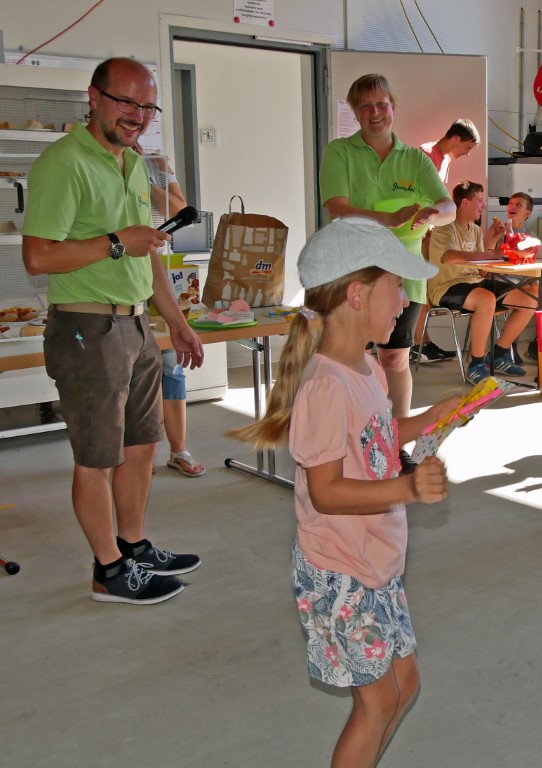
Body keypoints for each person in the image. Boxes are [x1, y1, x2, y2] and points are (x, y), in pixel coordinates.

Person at [230, 217, 460, 767]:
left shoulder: (367, 368)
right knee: (376, 703)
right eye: (396, 287)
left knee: (404, 684)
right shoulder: (325, 386)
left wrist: (434, 417)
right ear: (357, 295)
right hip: (341, 571)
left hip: (375, 560)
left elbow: (379, 435)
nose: (405, 301)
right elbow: (327, 492)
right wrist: (408, 486)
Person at [21, 57, 203, 605]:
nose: (137, 116)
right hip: (88, 327)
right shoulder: (63, 163)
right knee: (98, 458)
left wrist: (177, 323)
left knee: (141, 445)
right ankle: (109, 571)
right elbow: (38, 256)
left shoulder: (133, 163)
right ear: (94, 97)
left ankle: (133, 546)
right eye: (126, 102)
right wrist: (117, 242)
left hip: (137, 324)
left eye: (148, 107)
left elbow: (147, 253)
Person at [320, 73, 456, 474]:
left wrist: (433, 214)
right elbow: (338, 207)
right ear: (355, 112)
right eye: (365, 106)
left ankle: (395, 445)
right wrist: (389, 218)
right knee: (349, 360)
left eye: (381, 104)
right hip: (355, 272)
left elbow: (448, 207)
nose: (375, 112)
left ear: (393, 107)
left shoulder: (414, 159)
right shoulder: (340, 152)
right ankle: (347, 445)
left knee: (395, 359)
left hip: (404, 276)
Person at [135, 145, 204, 478]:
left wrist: (148, 178)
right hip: (126, 274)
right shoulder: (106, 163)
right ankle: (135, 453)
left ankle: (179, 450)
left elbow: (181, 210)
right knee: (135, 370)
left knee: (172, 365)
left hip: (163, 273)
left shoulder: (156, 163)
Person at [426, 181, 536, 383]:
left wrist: (491, 241)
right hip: (446, 286)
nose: (484, 205)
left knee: (530, 298)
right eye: (480, 200)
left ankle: (499, 354)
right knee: (486, 299)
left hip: (475, 283)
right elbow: (450, 257)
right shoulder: (445, 227)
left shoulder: (476, 230)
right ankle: (476, 365)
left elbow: (482, 272)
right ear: (465, 202)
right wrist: (492, 253)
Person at [413, 118, 480, 364]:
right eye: (467, 147)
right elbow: (417, 194)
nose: (466, 153)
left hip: (427, 231)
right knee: (418, 289)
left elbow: (437, 199)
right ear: (455, 138)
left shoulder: (446, 160)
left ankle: (423, 343)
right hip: (414, 230)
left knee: (423, 289)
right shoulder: (426, 154)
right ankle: (418, 345)